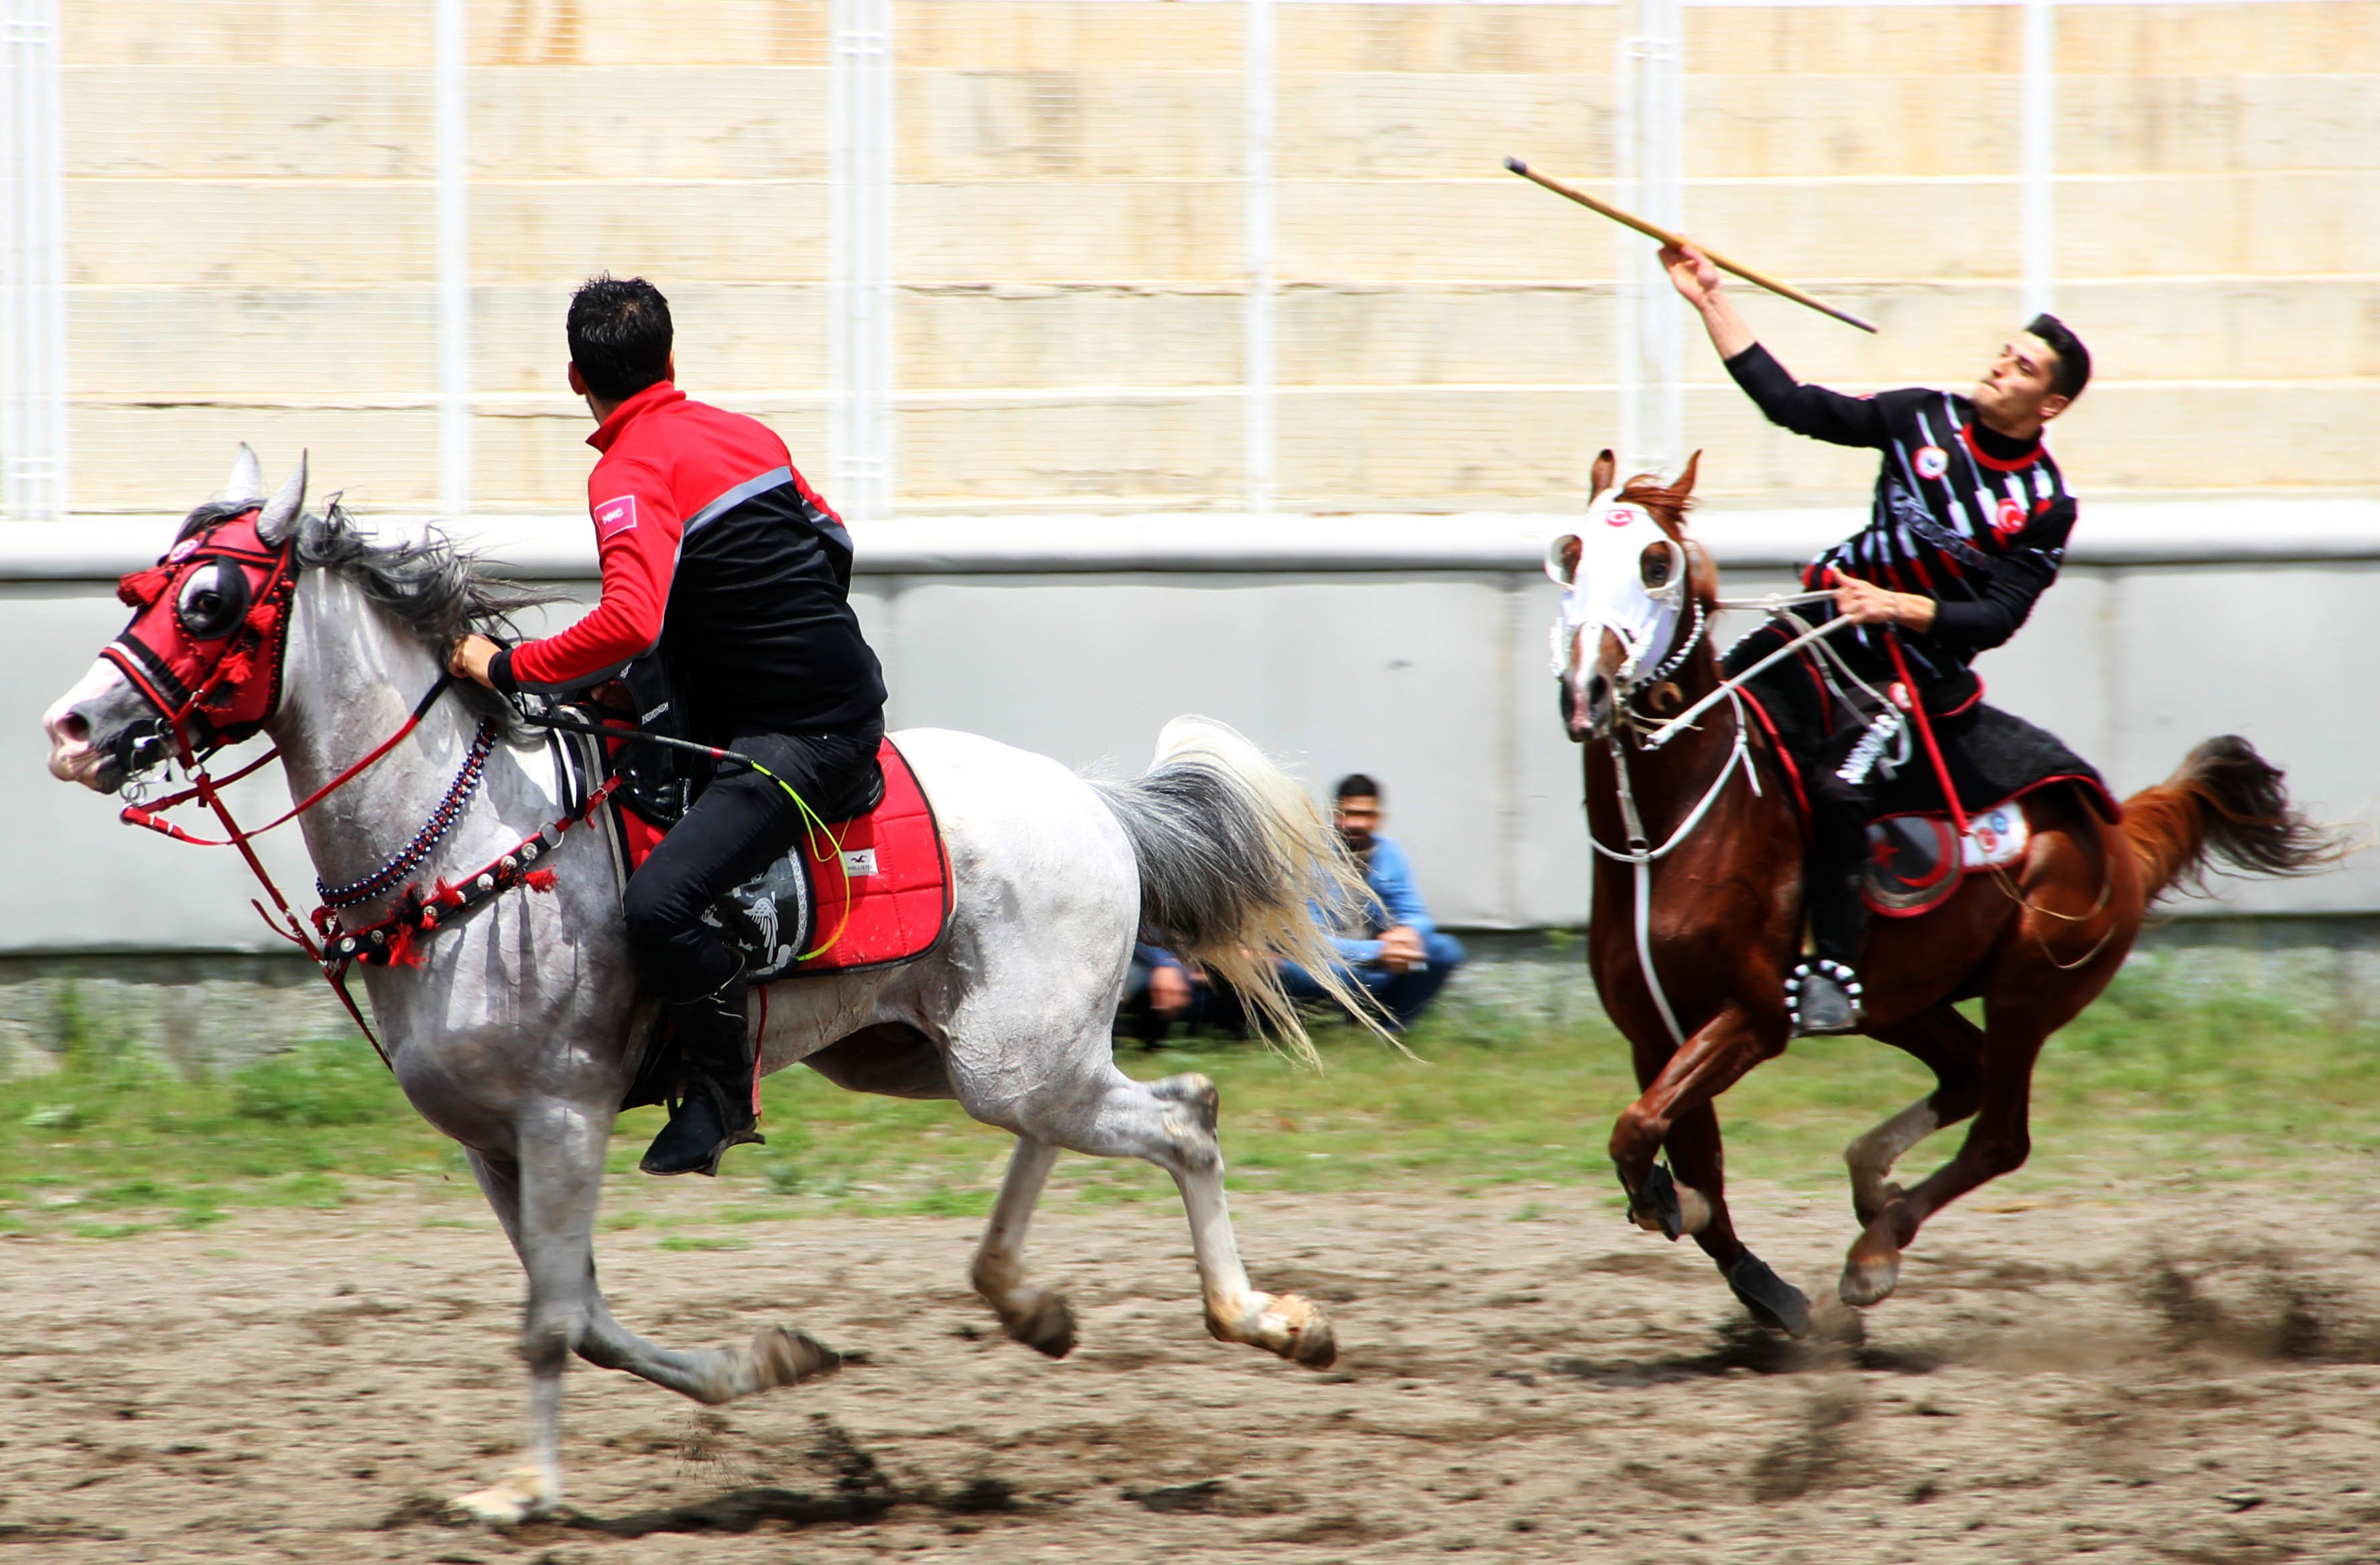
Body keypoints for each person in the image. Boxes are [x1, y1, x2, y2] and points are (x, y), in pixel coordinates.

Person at [449, 275, 888, 1176]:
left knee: (657, 907)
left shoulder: (626, 471)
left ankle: (725, 1094)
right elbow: (833, 542)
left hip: (805, 739)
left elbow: (632, 623)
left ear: (576, 380)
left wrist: (506, 666)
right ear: (672, 358)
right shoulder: (747, 433)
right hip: (810, 700)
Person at [1662, 241, 2091, 1036]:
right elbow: (1793, 405)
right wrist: (1709, 298)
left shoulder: (2045, 504)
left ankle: (1836, 970)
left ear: (2051, 405)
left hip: (1909, 675)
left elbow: (1997, 619)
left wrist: (1895, 607)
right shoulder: (1919, 415)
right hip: (1823, 622)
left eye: (2024, 368)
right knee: (1710, 719)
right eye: (2005, 354)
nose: (2001, 368)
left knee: (1836, 791)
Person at [1280, 774, 1465, 1029]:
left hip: (1378, 966)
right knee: (1287, 968)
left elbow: (1414, 912)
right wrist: (1378, 952)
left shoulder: (1389, 853)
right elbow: (1306, 941)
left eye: (1366, 815)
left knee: (1443, 950)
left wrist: (1407, 933)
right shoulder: (1309, 855)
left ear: (1379, 818)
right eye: (1349, 813)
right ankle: (1327, 1024)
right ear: (1334, 814)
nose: (1357, 823)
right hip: (1324, 968)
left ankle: (1392, 1030)